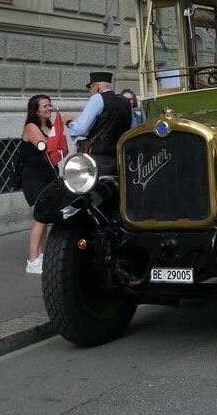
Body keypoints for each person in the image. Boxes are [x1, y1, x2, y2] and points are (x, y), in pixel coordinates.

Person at [65, 71, 133, 176]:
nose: (91, 92)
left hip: (98, 158)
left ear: (96, 86)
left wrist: (69, 122)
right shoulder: (125, 102)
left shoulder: (97, 98)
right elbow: (131, 130)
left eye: (91, 88)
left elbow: (81, 129)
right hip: (120, 159)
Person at [20, 94, 58, 274]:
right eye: (45, 106)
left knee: (45, 218)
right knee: (39, 218)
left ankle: (40, 254)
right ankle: (32, 260)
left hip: (48, 176)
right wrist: (62, 129)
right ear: (36, 110)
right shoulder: (31, 127)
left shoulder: (49, 126)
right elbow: (46, 146)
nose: (49, 108)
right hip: (33, 177)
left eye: (50, 105)